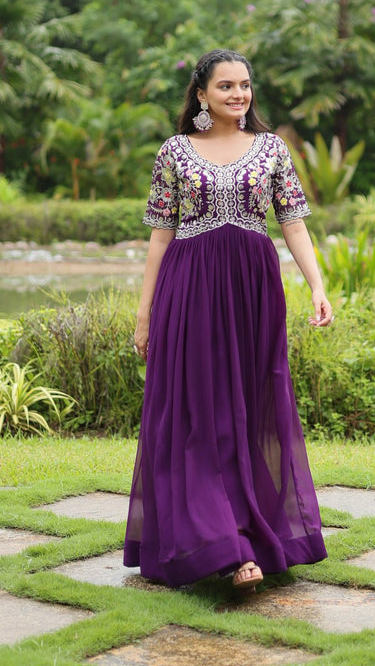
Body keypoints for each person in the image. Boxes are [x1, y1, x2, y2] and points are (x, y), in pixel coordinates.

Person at [123, 48, 333, 591]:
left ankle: (245, 531)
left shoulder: (271, 150)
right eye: (225, 86)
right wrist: (144, 314)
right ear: (201, 94)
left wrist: (317, 285)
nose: (238, 95)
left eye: (245, 85)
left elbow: (292, 224)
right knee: (199, 414)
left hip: (252, 289)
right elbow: (160, 235)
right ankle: (227, 545)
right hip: (189, 288)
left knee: (247, 414)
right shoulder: (176, 151)